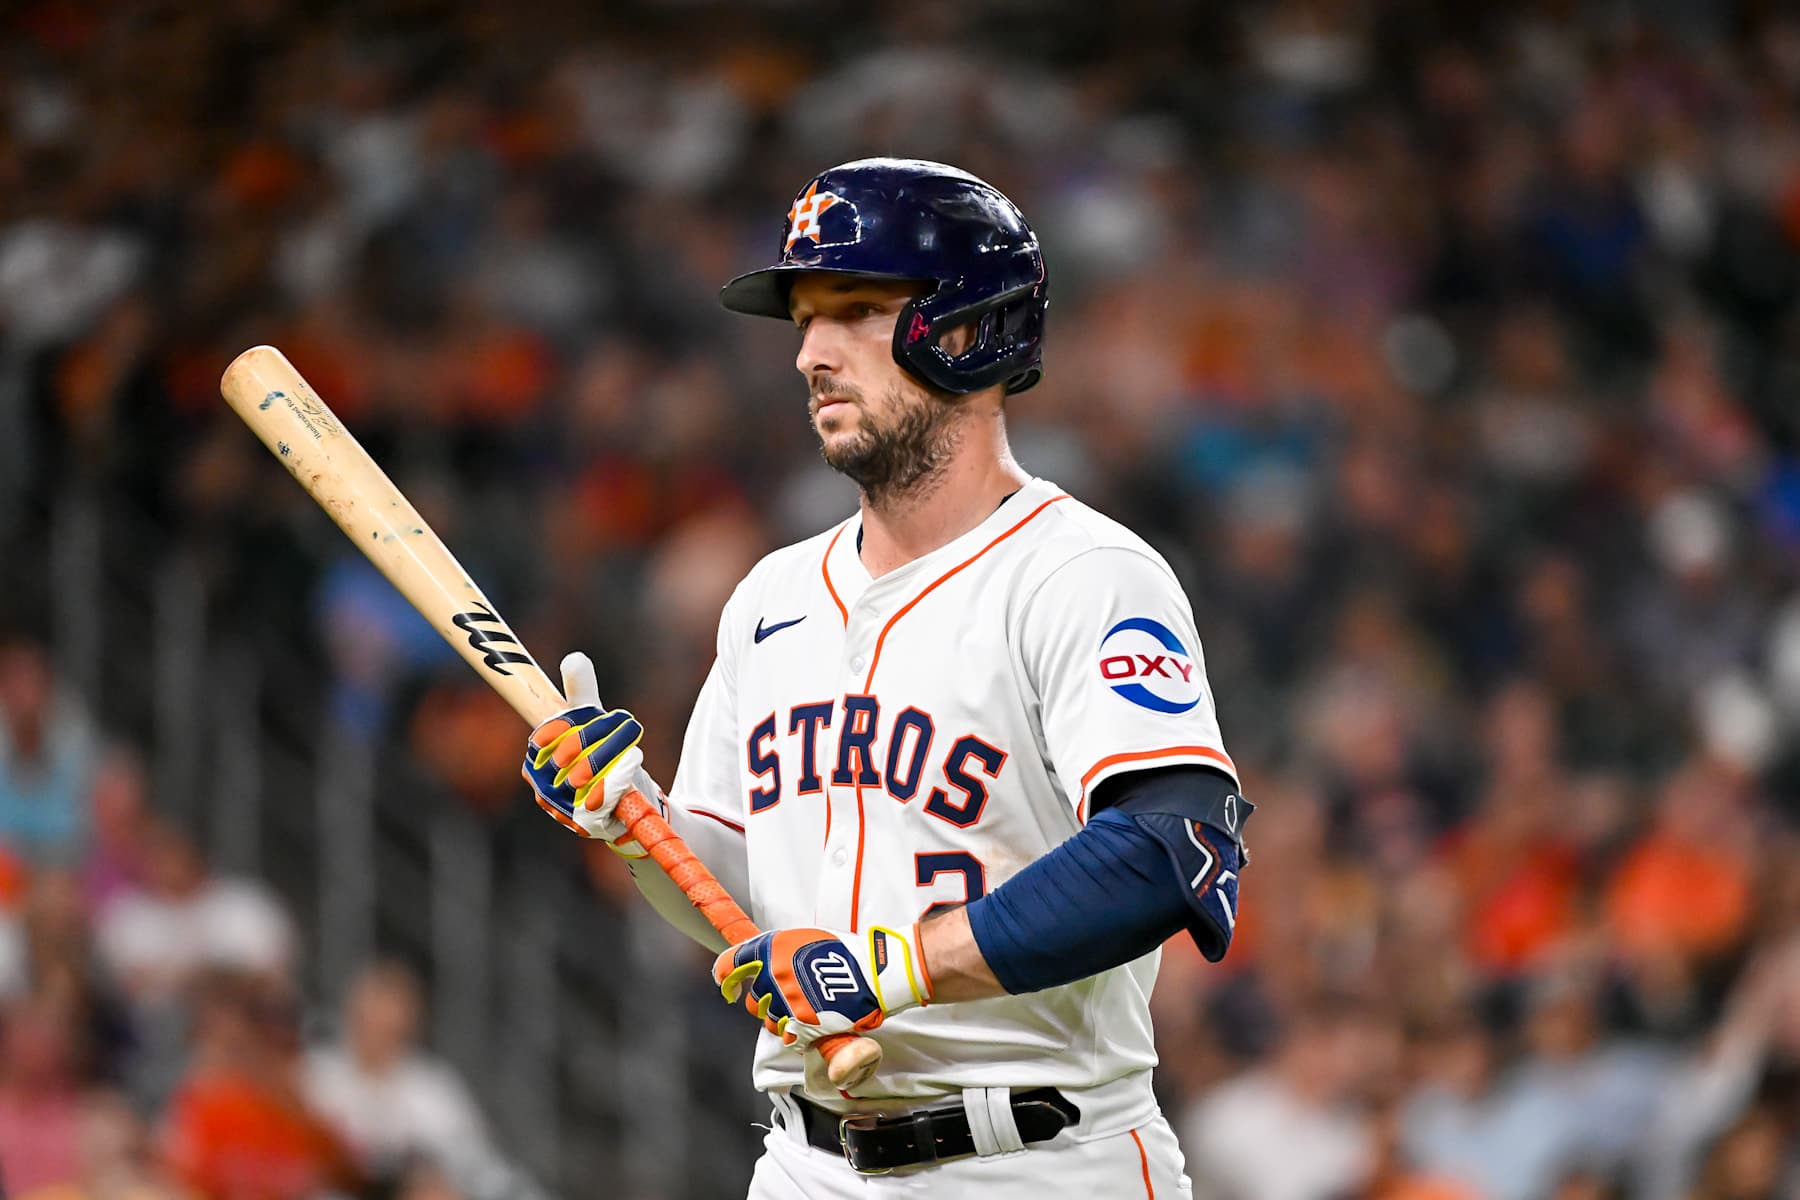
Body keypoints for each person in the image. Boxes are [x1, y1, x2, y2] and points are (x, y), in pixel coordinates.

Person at [519, 158, 1252, 1195]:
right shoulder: (767, 597)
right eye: (805, 321)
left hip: (1037, 1161)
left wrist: (886, 970)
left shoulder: (1080, 573)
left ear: (968, 329)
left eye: (854, 310)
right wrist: (632, 824)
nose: (811, 354)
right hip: (804, 1163)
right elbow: (741, 903)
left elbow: (1167, 849)